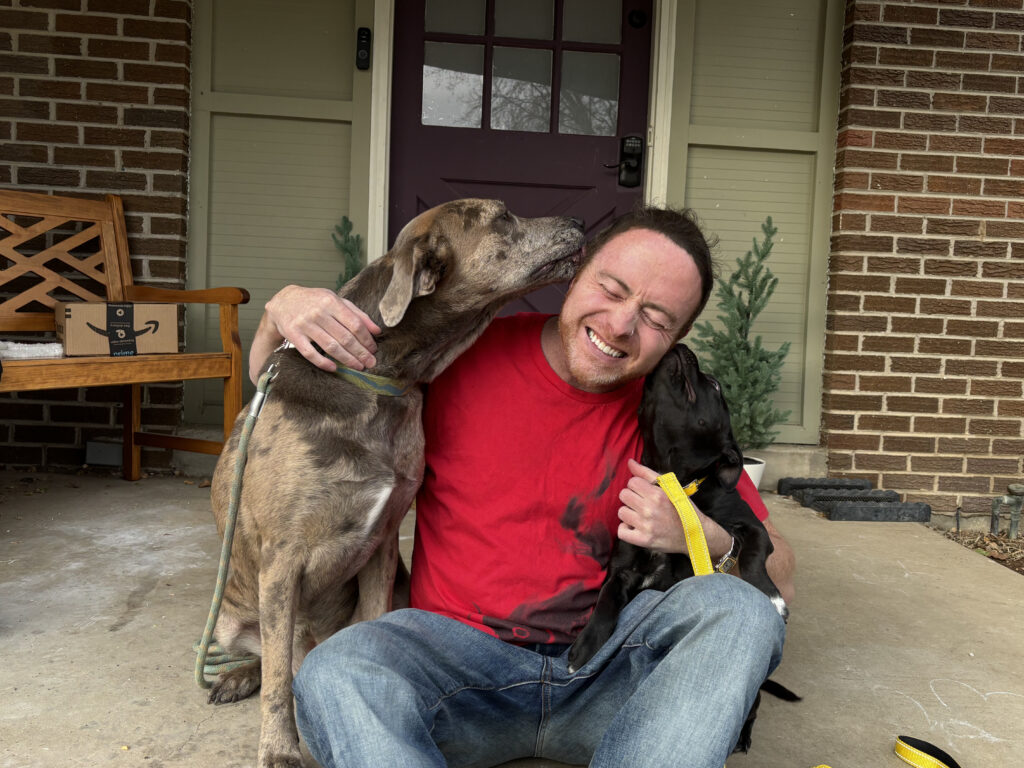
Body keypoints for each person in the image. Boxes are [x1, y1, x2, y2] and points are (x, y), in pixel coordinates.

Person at [248, 206, 796, 768]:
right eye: (611, 289)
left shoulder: (671, 413)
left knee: (740, 612)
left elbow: (779, 577)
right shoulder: (458, 357)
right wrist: (279, 314)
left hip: (607, 676)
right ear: (574, 273)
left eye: (656, 318)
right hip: (456, 675)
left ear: (676, 338)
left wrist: (699, 534)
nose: (620, 325)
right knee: (339, 668)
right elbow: (280, 411)